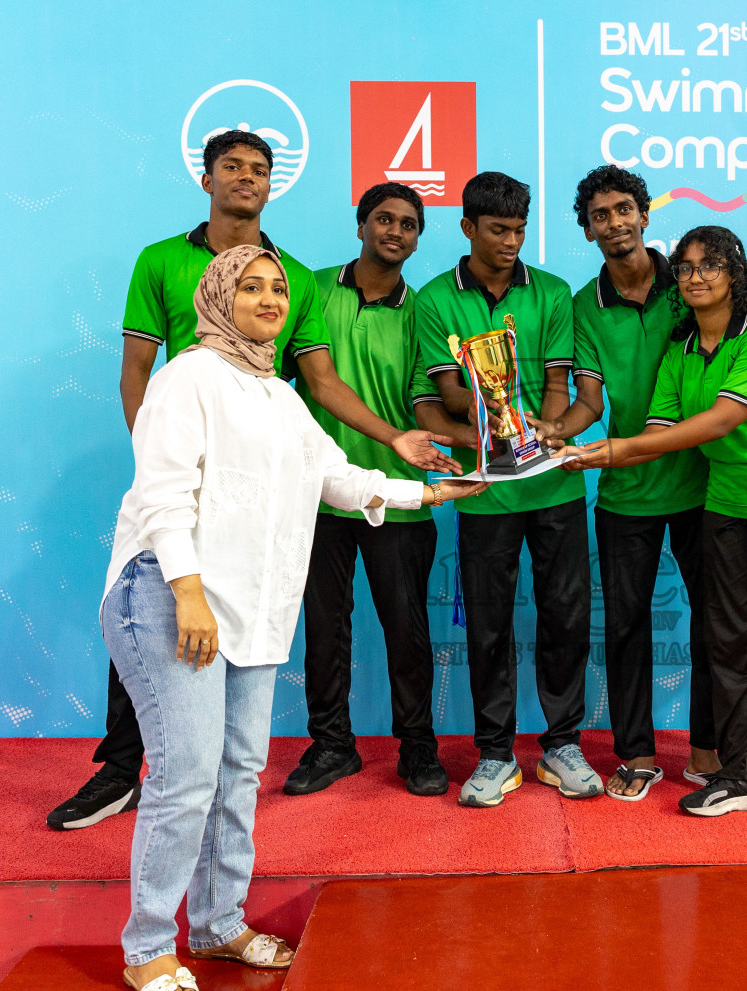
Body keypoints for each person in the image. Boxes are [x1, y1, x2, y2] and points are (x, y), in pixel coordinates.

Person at [104, 246, 483, 991]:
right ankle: (148, 948)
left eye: (278, 288)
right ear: (218, 296)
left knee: (239, 770)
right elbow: (162, 493)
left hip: (248, 607)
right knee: (186, 775)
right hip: (172, 595)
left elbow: (336, 476)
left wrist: (425, 493)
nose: (269, 298)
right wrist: (188, 592)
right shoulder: (186, 378)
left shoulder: (281, 396)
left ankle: (217, 924)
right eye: (250, 286)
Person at [48, 129, 334, 831]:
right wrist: (160, 468)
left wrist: (394, 444)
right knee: (156, 625)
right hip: (181, 485)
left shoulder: (294, 276)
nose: (246, 177)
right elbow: (136, 373)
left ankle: (216, 803)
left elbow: (319, 384)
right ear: (206, 179)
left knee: (227, 660)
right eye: (232, 166)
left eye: (259, 168)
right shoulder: (161, 261)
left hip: (248, 502)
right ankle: (121, 772)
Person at [556, 225, 747, 817]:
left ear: (736, 274)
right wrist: (593, 451)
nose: (695, 277)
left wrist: (617, 450)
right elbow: (660, 427)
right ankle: (743, 776)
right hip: (726, 507)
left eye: (711, 266)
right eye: (684, 268)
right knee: (732, 645)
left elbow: (720, 420)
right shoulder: (679, 351)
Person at [415, 171, 602, 807]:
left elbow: (558, 386)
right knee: (489, 624)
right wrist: (496, 431)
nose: (510, 242)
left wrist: (542, 437)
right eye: (497, 230)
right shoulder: (436, 299)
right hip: (484, 491)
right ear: (468, 227)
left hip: (552, 488)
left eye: (519, 230)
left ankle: (562, 745)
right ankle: (495, 754)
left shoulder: (552, 292)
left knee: (565, 618)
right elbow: (446, 396)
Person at [528, 166, 715, 801]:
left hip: (702, 485)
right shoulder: (583, 305)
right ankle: (636, 753)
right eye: (600, 216)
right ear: (588, 230)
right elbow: (588, 401)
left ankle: (708, 747)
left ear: (644, 215)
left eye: (623, 210)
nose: (614, 223)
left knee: (714, 622)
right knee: (627, 627)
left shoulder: (688, 284)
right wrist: (555, 431)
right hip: (625, 493)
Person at [282, 183, 465, 798]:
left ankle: (418, 748)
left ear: (418, 239)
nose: (395, 231)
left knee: (407, 631)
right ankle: (332, 746)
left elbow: (426, 401)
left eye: (409, 224)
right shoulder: (308, 290)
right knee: (324, 629)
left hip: (400, 496)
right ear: (360, 225)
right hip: (319, 494)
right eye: (384, 219)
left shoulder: (424, 312)